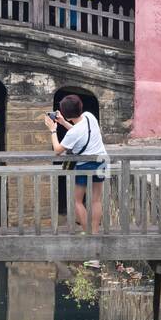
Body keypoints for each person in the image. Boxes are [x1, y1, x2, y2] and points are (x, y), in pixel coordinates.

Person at [44, 93, 107, 263]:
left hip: (85, 164)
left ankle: (89, 239)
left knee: (77, 201)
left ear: (64, 112)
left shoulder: (73, 134)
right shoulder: (89, 116)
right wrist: (64, 122)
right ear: (80, 107)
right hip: (101, 160)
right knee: (96, 200)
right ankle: (95, 234)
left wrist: (53, 129)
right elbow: (81, 134)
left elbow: (58, 149)